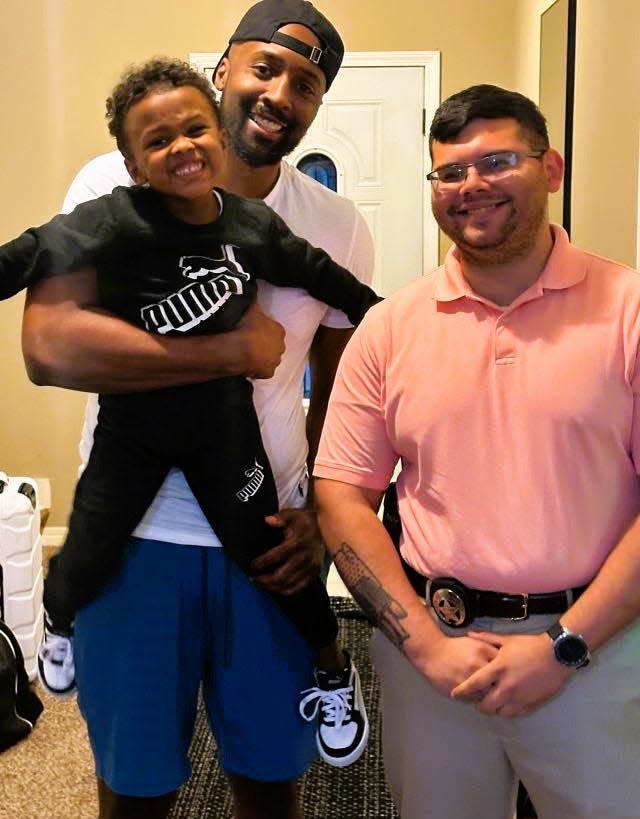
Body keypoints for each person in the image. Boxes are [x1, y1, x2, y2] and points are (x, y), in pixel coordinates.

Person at [21, 2, 374, 817]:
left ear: (318, 104)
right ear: (222, 70)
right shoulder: (109, 187)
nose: (281, 92)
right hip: (134, 539)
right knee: (135, 789)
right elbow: (50, 348)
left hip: (271, 534)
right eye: (264, 67)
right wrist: (227, 352)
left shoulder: (335, 225)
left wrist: (332, 507)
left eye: (307, 83)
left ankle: (328, 673)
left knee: (268, 781)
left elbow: (348, 383)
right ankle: (62, 617)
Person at [313, 83, 640, 819]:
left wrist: (564, 645)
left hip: (597, 646)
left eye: (498, 161)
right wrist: (425, 643)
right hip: (434, 658)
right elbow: (341, 493)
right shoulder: (389, 327)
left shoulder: (627, 311)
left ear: (550, 168)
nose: (472, 187)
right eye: (450, 172)